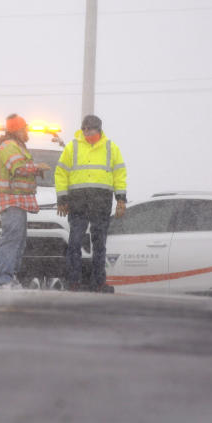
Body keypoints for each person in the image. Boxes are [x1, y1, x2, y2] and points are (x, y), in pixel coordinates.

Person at [54, 114, 127, 292]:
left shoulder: (111, 148)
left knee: (99, 244)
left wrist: (121, 198)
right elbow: (61, 173)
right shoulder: (72, 147)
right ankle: (74, 282)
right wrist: (62, 198)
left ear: (99, 129)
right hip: (78, 202)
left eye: (90, 129)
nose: (87, 132)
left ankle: (98, 282)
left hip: (101, 202)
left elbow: (119, 174)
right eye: (84, 128)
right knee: (75, 242)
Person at [0, 114, 51, 289]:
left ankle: (11, 278)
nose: (27, 131)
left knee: (18, 241)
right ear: (16, 130)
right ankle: (4, 279)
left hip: (18, 202)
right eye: (24, 128)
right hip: (11, 201)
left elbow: (20, 169)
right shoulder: (9, 147)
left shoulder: (17, 147)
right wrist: (36, 168)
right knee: (12, 240)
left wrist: (34, 170)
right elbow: (17, 168)